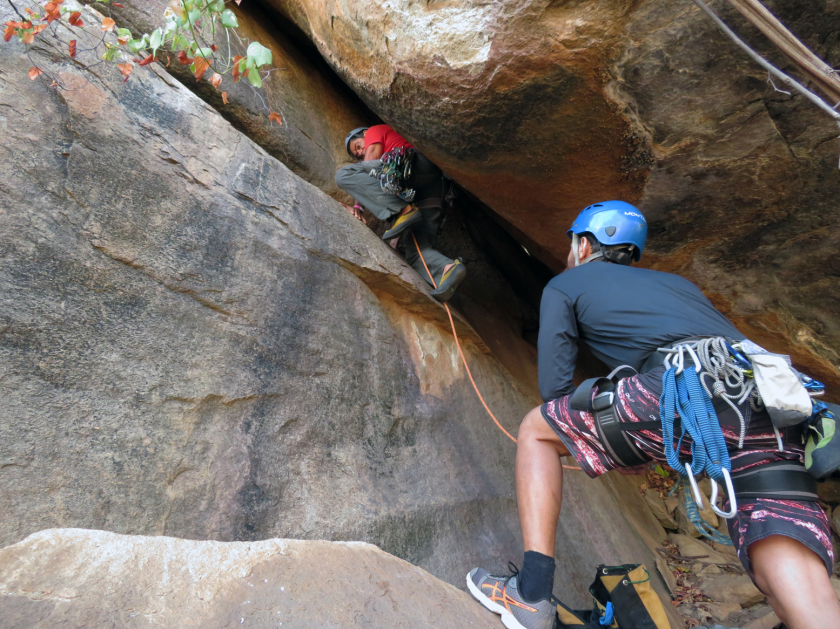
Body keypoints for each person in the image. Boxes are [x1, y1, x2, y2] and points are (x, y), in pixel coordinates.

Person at [466, 200, 840, 629]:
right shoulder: (679, 285)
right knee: (780, 545)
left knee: (538, 428)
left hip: (684, 389)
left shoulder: (567, 285)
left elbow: (555, 395)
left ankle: (530, 595)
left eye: (574, 243)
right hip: (769, 405)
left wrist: (614, 440)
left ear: (585, 245)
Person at [335, 125, 466, 301]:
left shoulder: (374, 130)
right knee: (416, 251)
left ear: (365, 134)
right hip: (431, 191)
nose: (359, 153)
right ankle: (448, 269)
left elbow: (369, 162)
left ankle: (404, 212)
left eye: (358, 146)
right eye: (356, 153)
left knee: (344, 175)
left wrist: (358, 207)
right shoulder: (389, 181)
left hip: (412, 165)